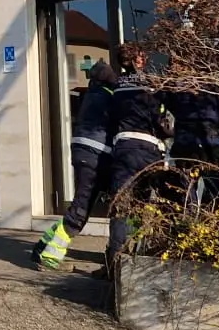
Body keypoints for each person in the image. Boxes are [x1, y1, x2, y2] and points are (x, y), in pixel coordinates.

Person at [35, 59, 114, 270]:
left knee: (82, 204)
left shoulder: (92, 94)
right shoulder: (109, 96)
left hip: (82, 150)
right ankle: (51, 256)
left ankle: (43, 244)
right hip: (95, 153)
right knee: (82, 207)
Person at [98, 46, 174, 260]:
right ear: (136, 61)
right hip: (147, 149)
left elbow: (110, 119)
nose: (145, 59)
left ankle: (115, 258)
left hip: (122, 148)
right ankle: (139, 254)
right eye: (142, 56)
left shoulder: (116, 87)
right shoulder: (149, 85)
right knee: (145, 204)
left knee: (121, 204)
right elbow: (160, 121)